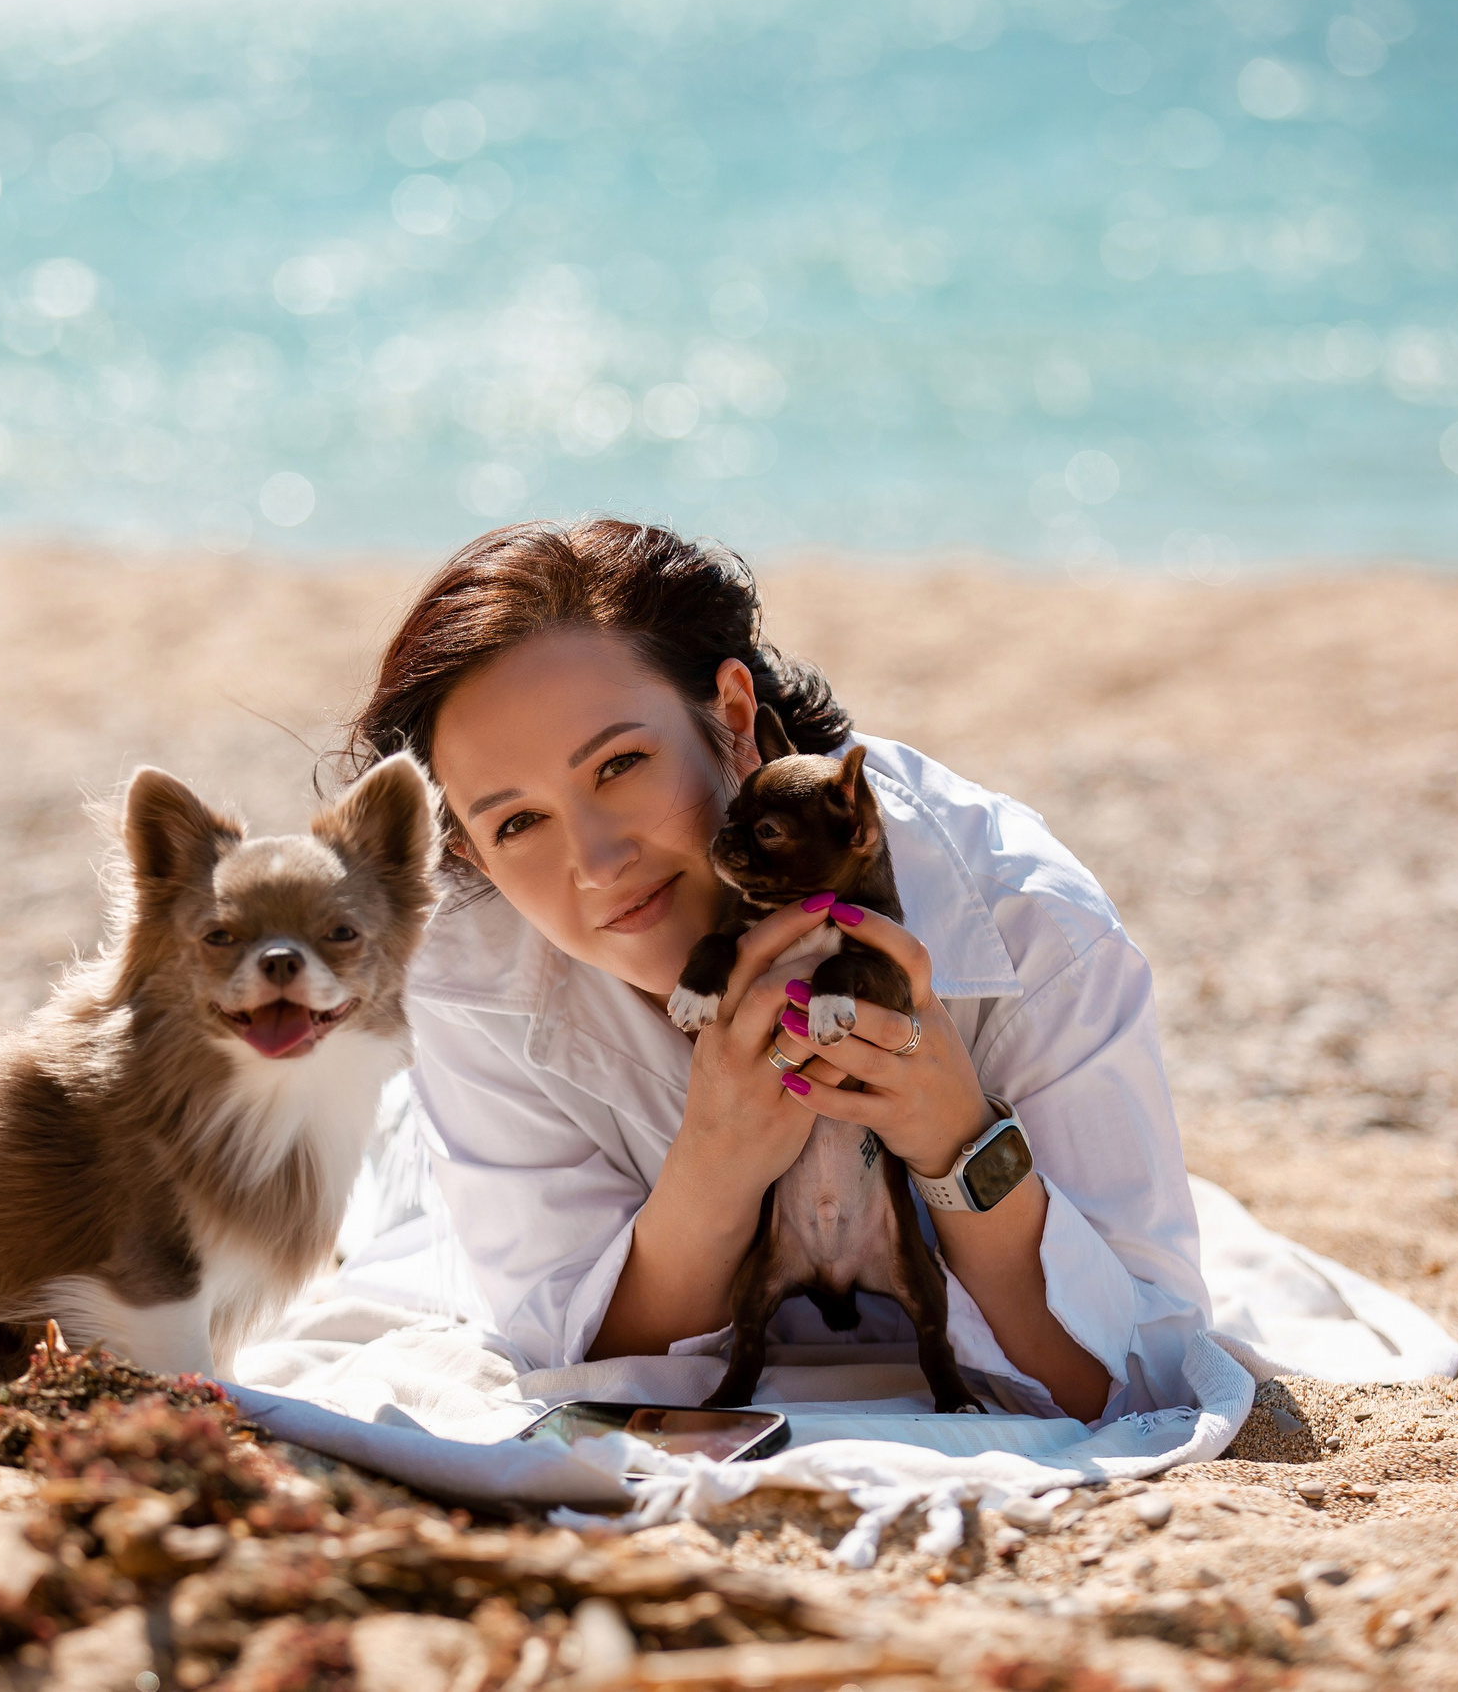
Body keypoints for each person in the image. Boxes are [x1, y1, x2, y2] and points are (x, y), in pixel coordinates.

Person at [346, 519, 1206, 1422]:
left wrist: (962, 1139)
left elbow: (1146, 1378)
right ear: (471, 855)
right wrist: (712, 1167)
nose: (597, 862)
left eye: (621, 764)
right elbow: (570, 1369)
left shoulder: (1026, 921)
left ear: (735, 716)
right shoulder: (463, 976)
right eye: (516, 823)